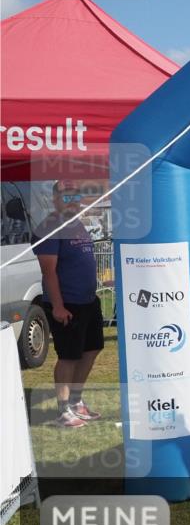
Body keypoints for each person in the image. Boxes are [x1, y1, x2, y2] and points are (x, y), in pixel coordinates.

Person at [32, 181, 103, 428]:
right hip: (67, 304)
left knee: (91, 350)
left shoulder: (77, 224)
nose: (72, 200)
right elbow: (48, 272)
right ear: (54, 199)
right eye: (66, 196)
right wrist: (59, 307)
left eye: (76, 196)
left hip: (88, 302)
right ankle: (63, 411)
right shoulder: (49, 228)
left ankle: (76, 401)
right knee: (68, 357)